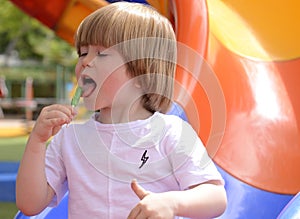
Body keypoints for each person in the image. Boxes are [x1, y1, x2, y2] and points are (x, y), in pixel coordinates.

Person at [16, 2, 227, 219]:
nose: (85, 62)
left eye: (101, 54)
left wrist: (171, 202)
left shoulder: (171, 132)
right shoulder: (69, 139)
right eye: (83, 53)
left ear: (141, 73)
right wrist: (37, 143)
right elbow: (30, 205)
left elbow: (215, 197)